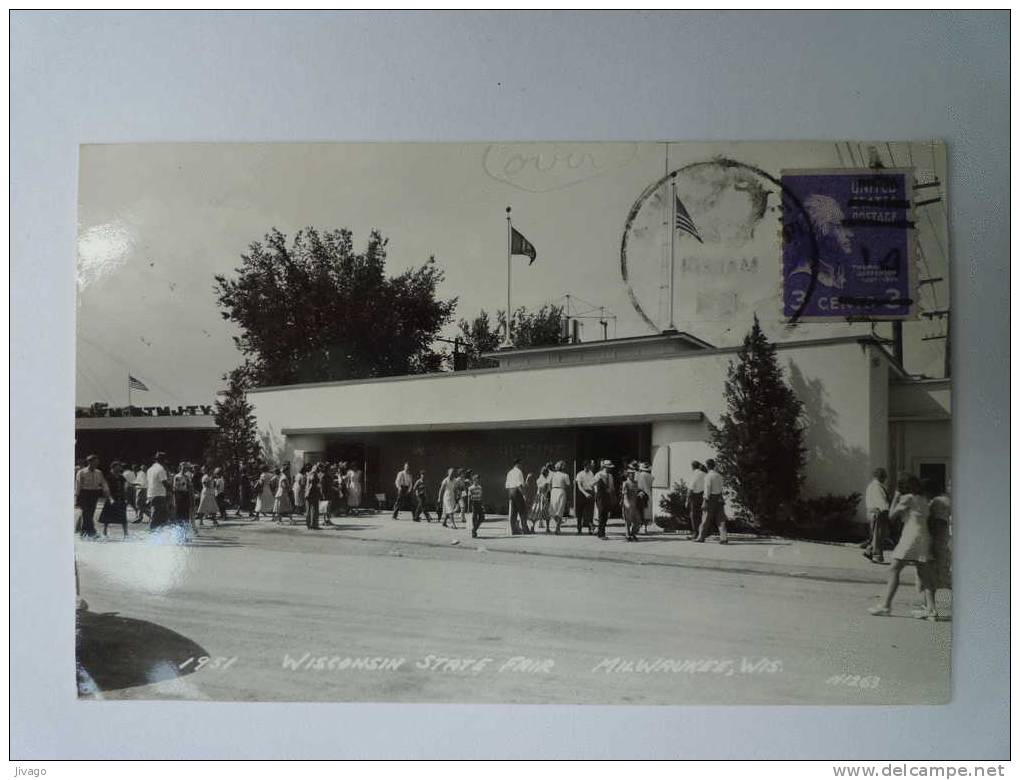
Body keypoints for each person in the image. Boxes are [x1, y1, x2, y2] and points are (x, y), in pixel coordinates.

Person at [868, 473, 937, 619]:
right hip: (924, 537)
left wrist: (895, 497)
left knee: (894, 569)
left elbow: (892, 516)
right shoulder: (924, 499)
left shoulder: (908, 498)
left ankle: (886, 605)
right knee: (925, 575)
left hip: (911, 537)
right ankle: (932, 610)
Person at [75, 454, 110, 539]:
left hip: (94, 493)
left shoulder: (99, 472)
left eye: (97, 462)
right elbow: (78, 485)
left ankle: (85, 531)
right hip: (85, 493)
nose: (97, 463)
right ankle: (90, 531)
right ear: (89, 462)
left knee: (91, 512)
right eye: (95, 462)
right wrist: (77, 496)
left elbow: (103, 482)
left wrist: (106, 491)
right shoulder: (81, 472)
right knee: (86, 513)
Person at [694, 459, 727, 544]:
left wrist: (705, 500)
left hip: (710, 498)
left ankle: (701, 537)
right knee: (720, 519)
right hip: (719, 498)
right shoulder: (719, 476)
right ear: (714, 465)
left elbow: (707, 489)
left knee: (705, 518)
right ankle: (724, 537)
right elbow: (721, 488)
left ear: (707, 466)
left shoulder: (708, 476)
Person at [863, 467, 891, 564]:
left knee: (874, 534)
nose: (885, 479)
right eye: (884, 476)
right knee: (878, 534)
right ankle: (876, 555)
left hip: (871, 511)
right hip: (878, 512)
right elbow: (881, 500)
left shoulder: (871, 486)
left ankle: (869, 551)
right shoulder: (877, 487)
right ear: (881, 476)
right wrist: (887, 510)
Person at [99, 460, 129, 538]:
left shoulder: (121, 477)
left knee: (123, 516)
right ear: (113, 467)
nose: (119, 468)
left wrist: (125, 497)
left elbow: (125, 487)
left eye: (120, 467)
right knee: (107, 516)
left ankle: (126, 533)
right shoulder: (108, 477)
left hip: (120, 498)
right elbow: (106, 488)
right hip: (111, 497)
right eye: (117, 467)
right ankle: (104, 531)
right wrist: (110, 498)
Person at [146, 452, 171, 530]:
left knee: (156, 515)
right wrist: (172, 489)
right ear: (163, 460)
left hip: (151, 494)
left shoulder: (150, 469)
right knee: (159, 516)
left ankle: (156, 533)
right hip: (159, 494)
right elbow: (165, 483)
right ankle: (152, 533)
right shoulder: (161, 469)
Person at [505, 458, 529, 535]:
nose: (522, 465)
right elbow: (519, 485)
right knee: (523, 511)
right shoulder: (519, 472)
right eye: (521, 464)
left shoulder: (509, 472)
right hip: (517, 491)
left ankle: (514, 530)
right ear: (517, 464)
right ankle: (525, 529)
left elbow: (507, 485)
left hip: (510, 491)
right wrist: (523, 494)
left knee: (513, 512)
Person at [593, 460, 616, 539]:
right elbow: (594, 484)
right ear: (604, 467)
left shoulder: (610, 476)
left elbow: (612, 487)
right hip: (600, 496)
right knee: (601, 514)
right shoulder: (598, 475)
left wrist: (612, 495)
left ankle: (603, 531)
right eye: (608, 467)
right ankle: (600, 533)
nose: (610, 469)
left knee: (605, 515)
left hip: (608, 496)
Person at [621, 466, 644, 541]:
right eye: (631, 474)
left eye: (633, 474)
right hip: (628, 504)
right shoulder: (626, 483)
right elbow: (624, 494)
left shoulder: (635, 483)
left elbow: (637, 490)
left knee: (638, 521)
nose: (633, 475)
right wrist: (627, 504)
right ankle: (628, 535)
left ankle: (633, 533)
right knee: (628, 521)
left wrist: (640, 493)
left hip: (635, 504)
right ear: (628, 474)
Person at [548, 461, 571, 535]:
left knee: (556, 509)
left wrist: (550, 490)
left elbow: (549, 484)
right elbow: (568, 485)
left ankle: (557, 527)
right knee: (558, 510)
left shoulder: (553, 475)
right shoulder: (565, 475)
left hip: (555, 491)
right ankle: (558, 525)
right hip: (559, 491)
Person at [687, 461, 706, 538]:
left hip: (695, 496)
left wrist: (687, 499)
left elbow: (691, 488)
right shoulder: (704, 474)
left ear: (692, 467)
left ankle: (695, 533)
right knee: (702, 514)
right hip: (703, 494)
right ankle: (702, 532)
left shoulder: (694, 474)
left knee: (694, 515)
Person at [532, 464, 552, 533]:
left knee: (536, 512)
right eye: (547, 473)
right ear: (545, 473)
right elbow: (546, 490)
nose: (548, 474)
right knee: (546, 512)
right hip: (543, 497)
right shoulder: (545, 481)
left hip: (538, 497)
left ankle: (533, 527)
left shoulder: (539, 479)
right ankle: (547, 528)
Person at [636, 461, 654, 533]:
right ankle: (645, 527)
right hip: (648, 494)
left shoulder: (638, 475)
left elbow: (637, 485)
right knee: (647, 511)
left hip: (640, 493)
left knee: (640, 510)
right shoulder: (651, 476)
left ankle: (639, 526)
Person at [304, 464, 322, 530]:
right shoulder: (314, 474)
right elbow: (312, 484)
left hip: (308, 494)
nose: (319, 470)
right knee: (314, 509)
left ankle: (309, 525)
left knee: (309, 510)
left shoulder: (309, 474)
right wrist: (318, 492)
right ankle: (314, 525)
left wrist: (307, 493)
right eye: (318, 469)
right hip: (313, 494)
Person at [468, 473, 485, 538]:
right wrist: (469, 507)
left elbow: (481, 497)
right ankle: (474, 532)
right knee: (474, 517)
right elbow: (469, 497)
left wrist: (482, 505)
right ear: (474, 480)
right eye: (476, 479)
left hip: (479, 503)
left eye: (478, 479)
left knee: (482, 517)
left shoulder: (480, 487)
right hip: (474, 503)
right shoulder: (470, 488)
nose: (478, 480)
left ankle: (474, 529)